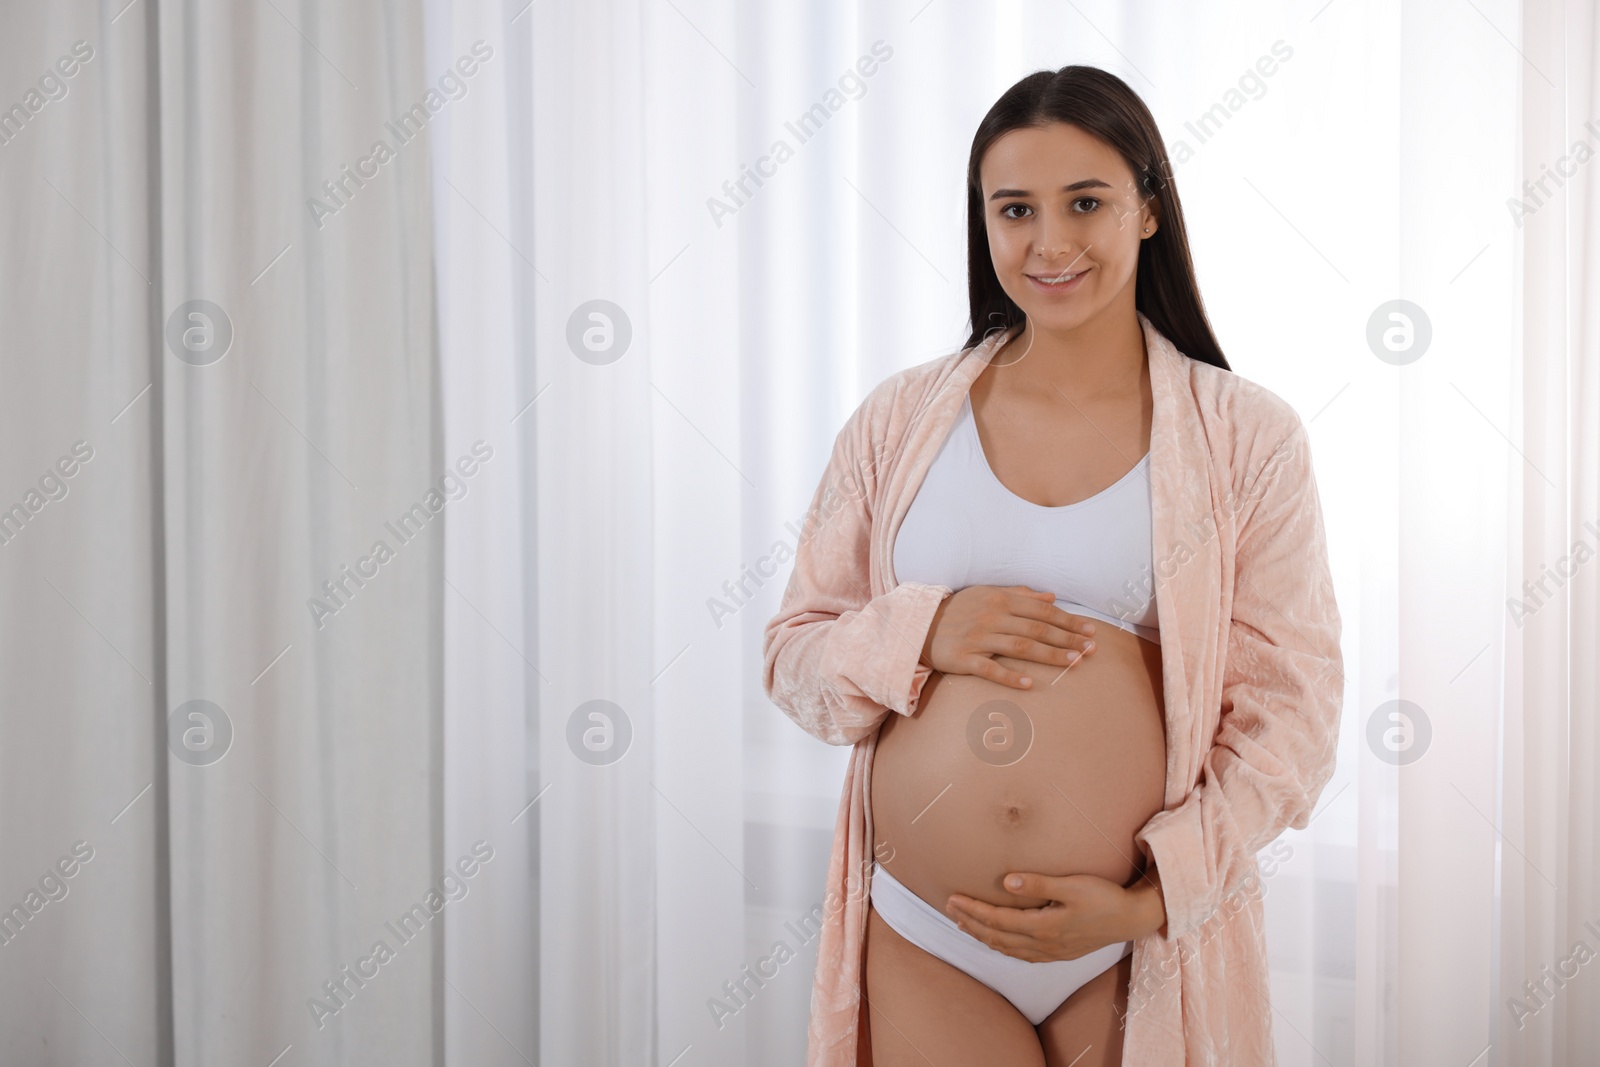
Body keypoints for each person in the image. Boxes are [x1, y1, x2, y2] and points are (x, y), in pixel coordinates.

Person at [763, 64, 1344, 1066]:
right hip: (925, 927)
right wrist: (919, 629)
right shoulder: (898, 421)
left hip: (1128, 937)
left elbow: (1293, 717)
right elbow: (793, 658)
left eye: (1086, 202)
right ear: (982, 224)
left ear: (1149, 211)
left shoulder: (1246, 437)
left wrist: (1145, 901)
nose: (1049, 243)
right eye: (1014, 209)